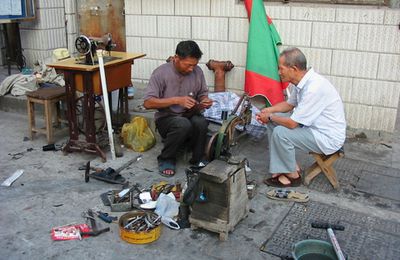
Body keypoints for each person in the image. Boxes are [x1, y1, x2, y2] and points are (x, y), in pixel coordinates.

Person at [256, 47, 346, 187]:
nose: (279, 72)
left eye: (281, 69)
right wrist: (268, 110)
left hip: (327, 138)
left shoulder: (313, 88)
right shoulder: (302, 82)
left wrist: (270, 117)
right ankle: (286, 166)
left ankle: (292, 175)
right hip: (315, 129)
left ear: (293, 69)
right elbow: (289, 104)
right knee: (275, 121)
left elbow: (292, 124)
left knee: (281, 132)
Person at [143, 40, 213, 177]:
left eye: (194, 65)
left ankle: (197, 158)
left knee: (201, 122)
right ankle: (166, 158)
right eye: (188, 65)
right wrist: (176, 100)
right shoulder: (161, 73)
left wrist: (205, 101)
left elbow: (202, 94)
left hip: (189, 114)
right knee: (183, 124)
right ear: (176, 58)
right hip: (167, 118)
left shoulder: (197, 72)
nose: (191, 69)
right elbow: (148, 103)